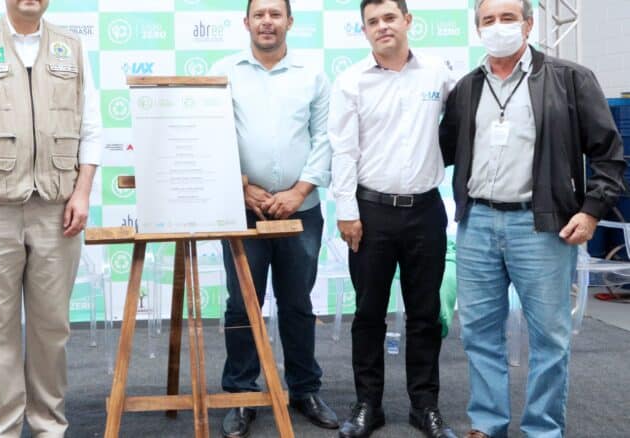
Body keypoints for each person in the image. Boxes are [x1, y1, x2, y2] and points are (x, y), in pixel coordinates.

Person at [439, 1, 625, 437]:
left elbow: (609, 154)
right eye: (488, 20)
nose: (498, 27)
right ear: (478, 28)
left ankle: (542, 429)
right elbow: (442, 151)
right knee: (479, 335)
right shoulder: (466, 88)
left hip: (542, 227)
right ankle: (487, 424)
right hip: (477, 224)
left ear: (528, 23)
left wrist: (592, 210)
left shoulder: (570, 78)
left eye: (507, 18)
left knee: (550, 339)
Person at [0, 0, 102, 436]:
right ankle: (1, 431)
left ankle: (50, 427)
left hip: (57, 210)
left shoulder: (73, 47)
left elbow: (92, 128)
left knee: (52, 332)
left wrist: (82, 193)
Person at [208, 0, 338, 436]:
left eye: (275, 14)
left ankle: (304, 389)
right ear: (246, 22)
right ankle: (242, 393)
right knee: (241, 304)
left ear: (289, 22)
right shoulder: (223, 72)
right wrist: (241, 185)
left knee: (298, 301)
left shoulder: (312, 74)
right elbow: (214, 134)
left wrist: (299, 191)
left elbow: (325, 138)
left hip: (300, 210)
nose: (267, 21)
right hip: (241, 209)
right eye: (259, 14)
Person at [328, 1, 458, 437]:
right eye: (373, 21)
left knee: (425, 314)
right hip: (370, 213)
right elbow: (343, 151)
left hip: (425, 211)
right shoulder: (350, 82)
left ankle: (425, 406)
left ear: (407, 21)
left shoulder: (440, 74)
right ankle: (368, 405)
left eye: (389, 18)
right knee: (368, 313)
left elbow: (461, 126)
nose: (382, 26)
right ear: (364, 30)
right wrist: (347, 211)